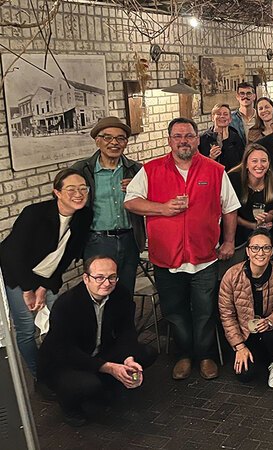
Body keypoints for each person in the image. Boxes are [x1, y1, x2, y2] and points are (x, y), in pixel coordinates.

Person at [124, 117, 240, 381]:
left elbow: (230, 208)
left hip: (205, 257)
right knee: (174, 311)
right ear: (169, 141)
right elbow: (130, 201)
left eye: (188, 135)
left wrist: (230, 241)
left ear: (198, 139)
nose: (183, 141)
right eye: (178, 136)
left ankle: (205, 355)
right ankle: (184, 355)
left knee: (204, 311)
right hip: (167, 258)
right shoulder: (151, 170)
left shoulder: (214, 170)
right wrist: (162, 208)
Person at [37, 255, 157, 427]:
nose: (107, 283)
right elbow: (65, 351)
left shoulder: (120, 294)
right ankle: (70, 406)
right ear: (86, 278)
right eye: (99, 277)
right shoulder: (67, 304)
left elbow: (127, 331)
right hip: (64, 362)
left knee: (146, 354)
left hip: (98, 350)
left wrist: (128, 358)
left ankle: (107, 383)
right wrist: (108, 367)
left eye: (112, 277)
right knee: (87, 384)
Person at [0, 168, 91, 378]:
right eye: (70, 189)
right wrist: (28, 289)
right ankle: (40, 375)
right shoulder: (34, 213)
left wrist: (44, 287)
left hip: (47, 275)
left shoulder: (84, 215)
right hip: (16, 273)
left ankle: (61, 367)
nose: (78, 194)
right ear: (57, 192)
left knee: (59, 320)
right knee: (25, 328)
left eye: (82, 189)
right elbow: (12, 254)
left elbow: (67, 256)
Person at [72, 116, 144, 298]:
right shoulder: (82, 170)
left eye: (120, 138)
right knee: (99, 294)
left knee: (125, 293)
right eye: (107, 137)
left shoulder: (136, 170)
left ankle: (125, 327)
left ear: (126, 143)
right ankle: (100, 328)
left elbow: (153, 200)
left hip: (129, 240)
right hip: (96, 242)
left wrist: (140, 189)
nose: (114, 143)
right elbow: (65, 199)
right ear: (97, 141)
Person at [219, 229, 273, 387]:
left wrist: (270, 321)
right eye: (255, 248)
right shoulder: (231, 275)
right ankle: (255, 355)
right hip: (244, 332)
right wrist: (239, 346)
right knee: (245, 375)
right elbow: (227, 315)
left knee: (272, 336)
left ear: (271, 251)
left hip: (270, 331)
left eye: (266, 248)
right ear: (248, 251)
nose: (260, 253)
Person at [224, 143, 273, 268]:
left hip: (260, 240)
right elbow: (228, 212)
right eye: (254, 161)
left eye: (263, 161)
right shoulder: (233, 179)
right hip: (236, 239)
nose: (259, 165)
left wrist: (266, 219)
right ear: (246, 164)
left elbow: (272, 210)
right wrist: (252, 225)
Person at [200, 103, 246, 171]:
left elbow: (240, 162)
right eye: (218, 114)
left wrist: (227, 143)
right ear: (212, 118)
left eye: (225, 114)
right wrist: (210, 157)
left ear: (230, 119)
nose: (222, 116)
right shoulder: (203, 138)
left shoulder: (236, 137)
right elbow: (199, 164)